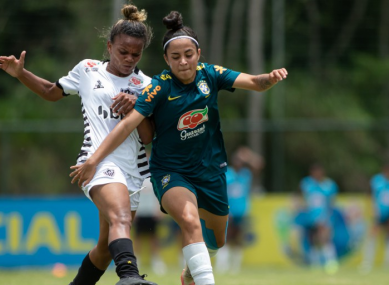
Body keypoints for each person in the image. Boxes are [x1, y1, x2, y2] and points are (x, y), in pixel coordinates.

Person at [69, 11, 287, 285]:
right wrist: (93, 160)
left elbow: (256, 82)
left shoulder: (212, 75)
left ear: (199, 53)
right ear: (166, 59)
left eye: (188, 55)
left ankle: (189, 273)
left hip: (210, 170)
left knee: (217, 241)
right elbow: (126, 127)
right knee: (189, 218)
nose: (183, 62)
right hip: (171, 172)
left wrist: (271, 77)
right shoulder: (158, 87)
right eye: (175, 57)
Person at [0, 4, 158, 285]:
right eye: (123, 51)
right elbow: (50, 92)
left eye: (136, 53)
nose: (129, 58)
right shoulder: (88, 69)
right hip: (95, 162)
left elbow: (147, 137)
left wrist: (137, 106)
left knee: (106, 248)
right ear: (109, 46)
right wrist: (20, 73)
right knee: (121, 218)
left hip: (131, 169)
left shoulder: (146, 84)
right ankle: (130, 277)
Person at [215, 146, 263, 274]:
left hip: (242, 211)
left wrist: (248, 155)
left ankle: (235, 266)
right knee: (226, 237)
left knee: (238, 238)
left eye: (241, 161)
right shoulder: (227, 173)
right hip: (228, 211)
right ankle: (222, 264)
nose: (239, 163)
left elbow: (259, 164)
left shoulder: (246, 174)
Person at [299, 164, 339, 273]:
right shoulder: (306, 184)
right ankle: (315, 265)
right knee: (313, 241)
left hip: (324, 217)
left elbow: (331, 203)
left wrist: (327, 217)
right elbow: (304, 200)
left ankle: (331, 263)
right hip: (310, 217)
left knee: (324, 239)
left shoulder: (329, 185)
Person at [133, 175, 167, 275]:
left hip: (152, 213)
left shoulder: (154, 177)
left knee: (154, 238)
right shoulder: (137, 177)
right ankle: (136, 261)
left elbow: (158, 194)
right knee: (137, 238)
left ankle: (156, 261)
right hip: (140, 213)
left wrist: (159, 209)